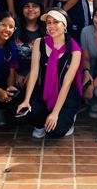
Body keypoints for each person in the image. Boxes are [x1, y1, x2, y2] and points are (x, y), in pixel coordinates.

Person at [17, 8, 82, 138]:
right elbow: (34, 73)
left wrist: (55, 113)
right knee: (27, 111)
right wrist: (26, 100)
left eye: (56, 22)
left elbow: (67, 84)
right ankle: (41, 124)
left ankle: (69, 117)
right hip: (44, 90)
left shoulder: (75, 50)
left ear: (64, 25)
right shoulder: (39, 42)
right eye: (48, 22)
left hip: (66, 94)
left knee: (55, 131)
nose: (51, 26)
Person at [13, 0, 45, 90]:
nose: (30, 9)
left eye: (34, 6)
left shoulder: (47, 28)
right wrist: (14, 74)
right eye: (26, 6)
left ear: (40, 9)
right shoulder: (14, 25)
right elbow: (5, 51)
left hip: (38, 74)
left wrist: (33, 74)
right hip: (13, 73)